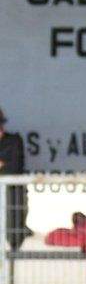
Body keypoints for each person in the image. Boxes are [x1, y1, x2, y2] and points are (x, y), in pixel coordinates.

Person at [0, 106, 25, 253]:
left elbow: (15, 167)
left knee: (13, 212)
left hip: (10, 194)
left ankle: (14, 244)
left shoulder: (14, 141)